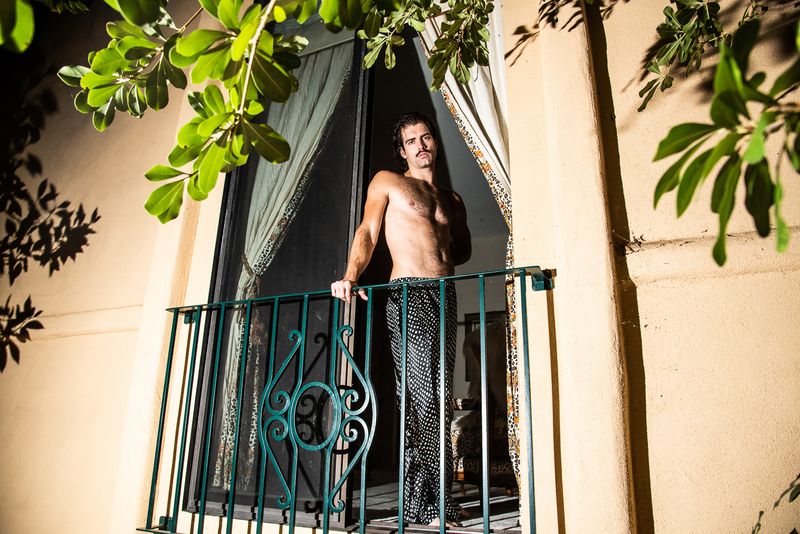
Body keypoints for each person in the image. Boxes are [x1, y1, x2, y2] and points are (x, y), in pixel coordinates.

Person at [330, 112, 471, 526]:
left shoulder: (454, 200)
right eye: (412, 141)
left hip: (445, 295)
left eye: (426, 137)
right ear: (402, 150)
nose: (421, 145)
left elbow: (458, 249)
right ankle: (423, 502)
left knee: (440, 397)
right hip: (409, 292)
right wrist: (350, 276)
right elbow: (368, 232)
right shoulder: (388, 181)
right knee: (421, 398)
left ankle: (431, 499)